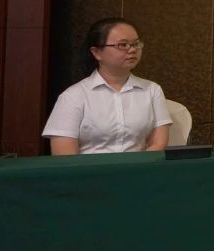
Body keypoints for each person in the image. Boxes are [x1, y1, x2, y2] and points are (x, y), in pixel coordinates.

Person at [43, 17, 171, 154]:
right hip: (90, 167)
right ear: (96, 52)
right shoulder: (73, 96)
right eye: (123, 45)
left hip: (139, 166)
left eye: (136, 44)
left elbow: (158, 144)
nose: (132, 50)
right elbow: (64, 156)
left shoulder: (152, 90)